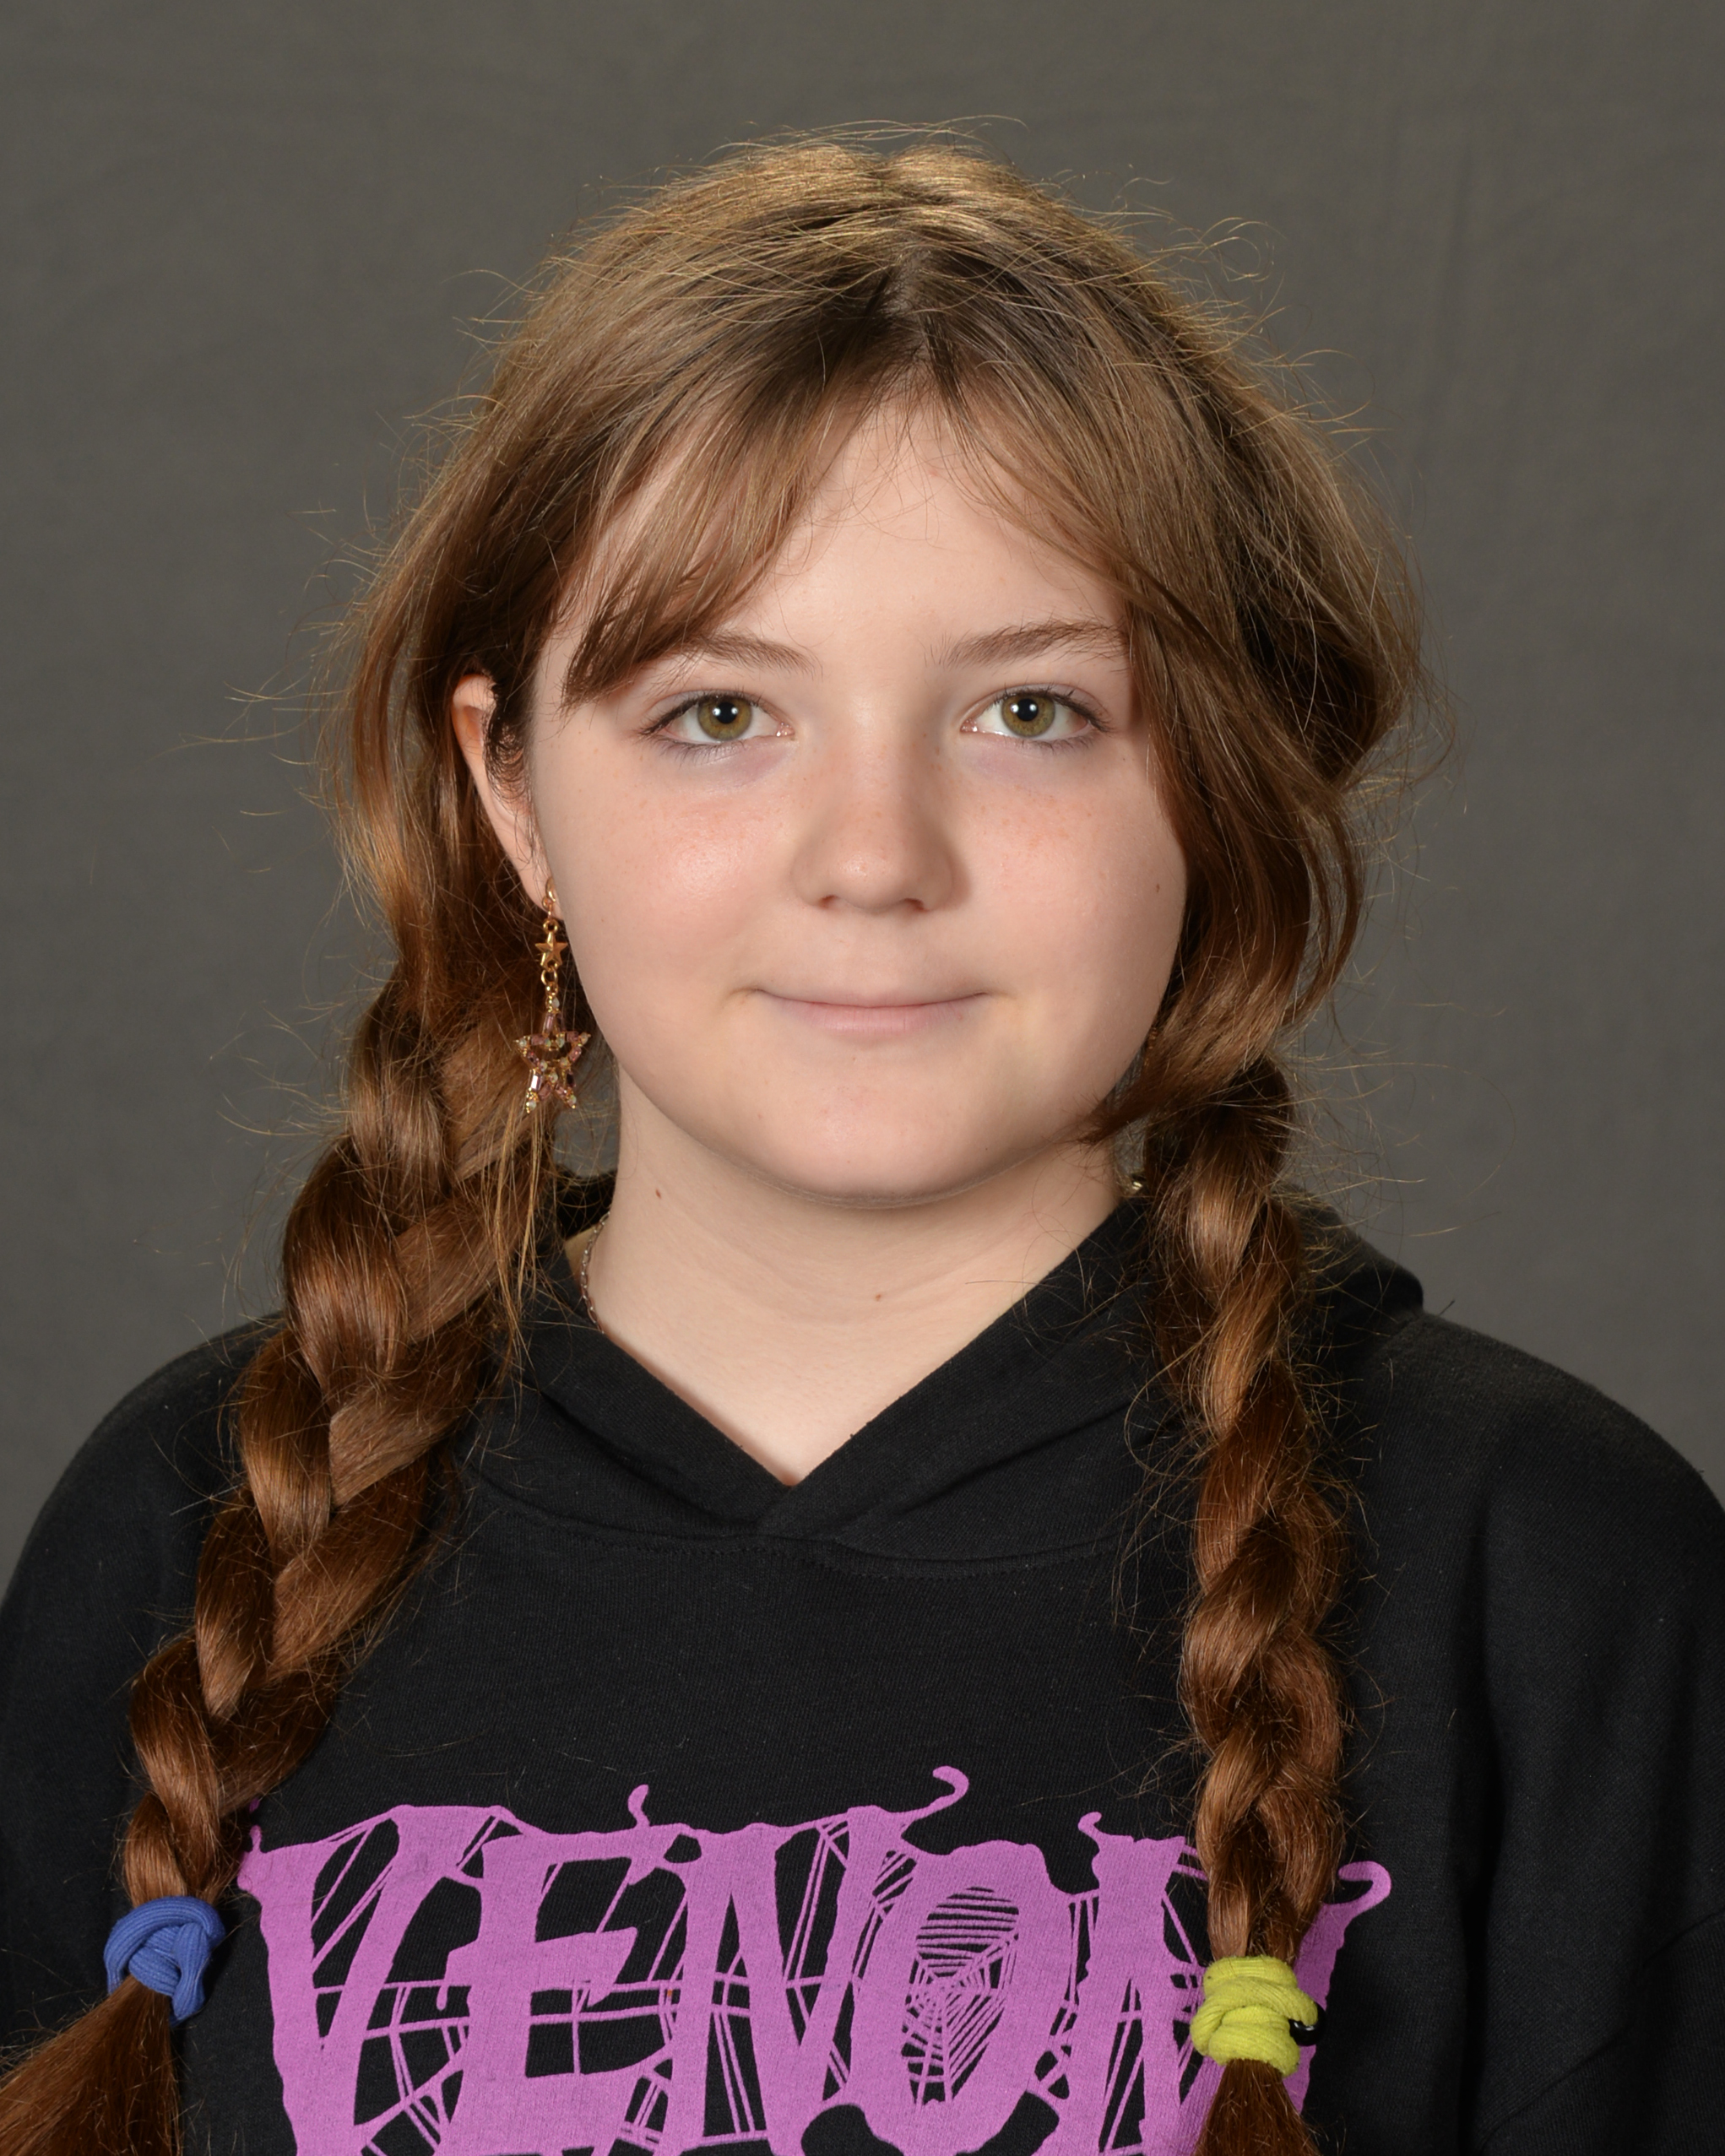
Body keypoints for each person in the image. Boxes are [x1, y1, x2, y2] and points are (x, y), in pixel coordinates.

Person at [1, 138, 1721, 2156]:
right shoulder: (196, 1525)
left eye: (1030, 711)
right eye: (721, 714)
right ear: (511, 793)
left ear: (1220, 779)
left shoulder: (1542, 1567)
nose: (874, 859)